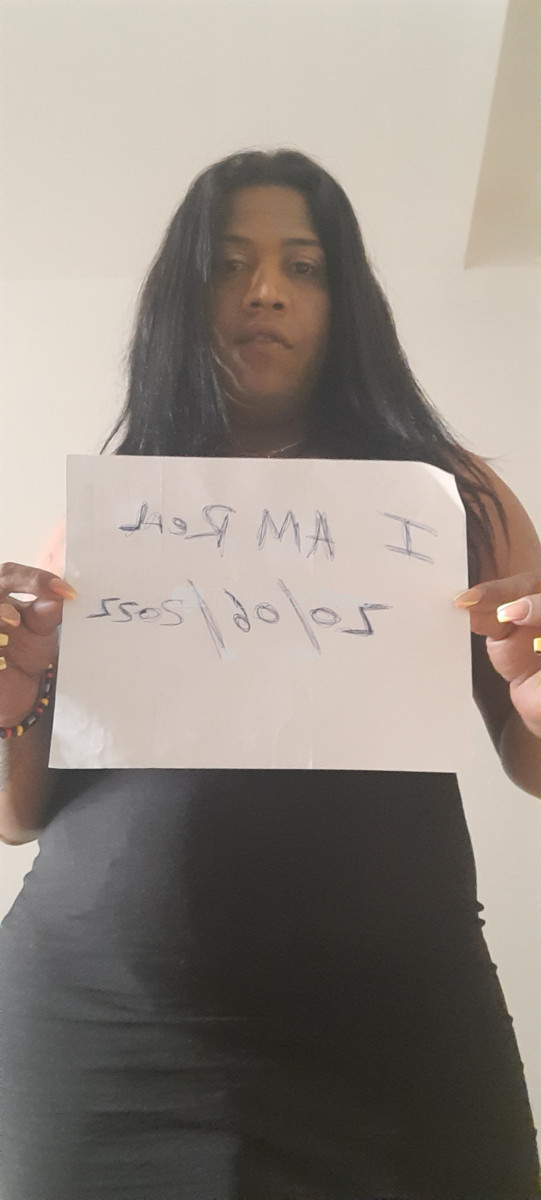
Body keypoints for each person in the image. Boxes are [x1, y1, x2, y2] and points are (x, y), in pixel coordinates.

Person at [1, 148, 540, 1200]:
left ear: (346, 301)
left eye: (303, 265)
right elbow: (19, 817)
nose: (265, 291)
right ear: (183, 295)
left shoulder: (450, 498)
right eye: (229, 264)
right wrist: (14, 704)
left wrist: (531, 688)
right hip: (103, 1029)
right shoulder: (110, 510)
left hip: (397, 1036)